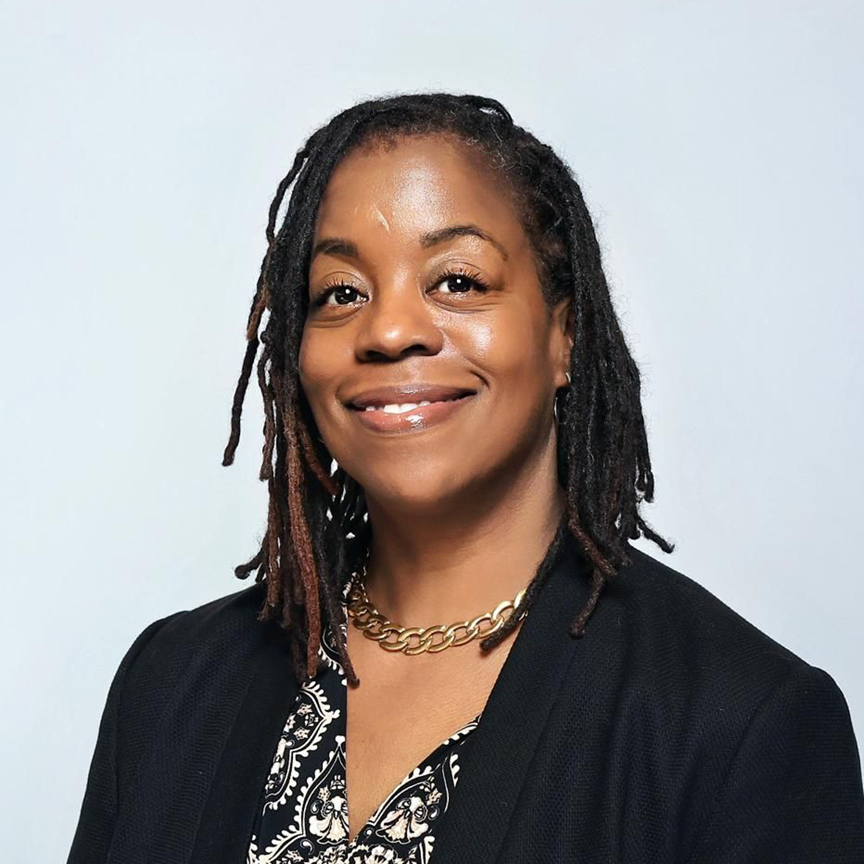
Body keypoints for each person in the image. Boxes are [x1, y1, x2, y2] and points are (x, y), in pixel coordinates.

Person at [66, 92, 864, 864]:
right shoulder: (171, 682)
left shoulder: (737, 723)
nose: (388, 330)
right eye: (341, 292)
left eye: (457, 281)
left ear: (564, 335)